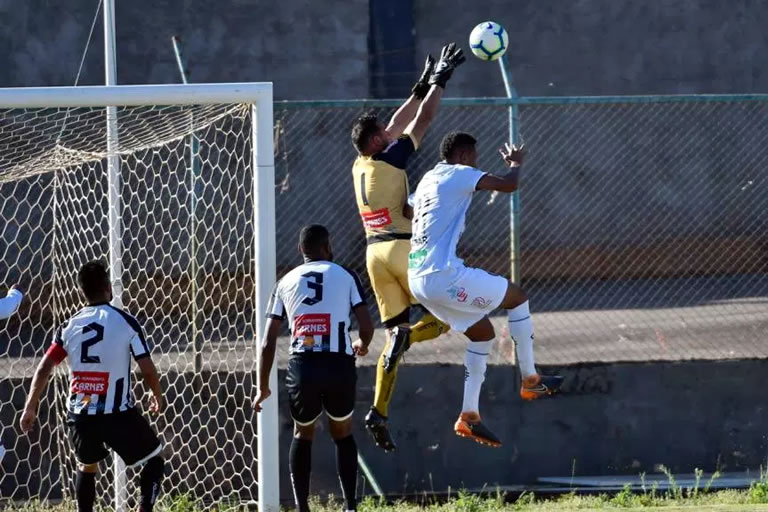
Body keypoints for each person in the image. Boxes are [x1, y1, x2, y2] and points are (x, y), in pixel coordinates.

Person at [407, 133, 564, 447]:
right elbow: (509, 184)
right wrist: (516, 164)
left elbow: (408, 210)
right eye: (475, 157)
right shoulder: (460, 172)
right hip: (443, 275)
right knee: (516, 297)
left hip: (418, 278)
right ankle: (531, 379)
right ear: (464, 155)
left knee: (482, 334)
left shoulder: (428, 179)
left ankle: (469, 415)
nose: (477, 164)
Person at [350, 43, 465, 451]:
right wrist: (438, 83)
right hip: (402, 250)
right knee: (452, 315)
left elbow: (398, 123)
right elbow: (422, 121)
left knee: (391, 337)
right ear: (377, 142)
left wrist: (417, 86)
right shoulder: (391, 159)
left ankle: (379, 411)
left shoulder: (362, 163)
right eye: (383, 133)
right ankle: (410, 338)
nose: (389, 132)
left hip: (374, 256)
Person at [20, 261, 165, 512]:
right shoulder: (125, 322)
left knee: (87, 466)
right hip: (116, 414)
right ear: (109, 288)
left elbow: (44, 367)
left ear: (82, 292)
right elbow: (147, 367)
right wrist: (156, 393)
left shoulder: (69, 326)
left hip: (81, 414)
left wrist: (30, 407)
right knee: (155, 461)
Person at [253, 225, 373, 512]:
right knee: (342, 432)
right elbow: (366, 325)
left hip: (303, 366)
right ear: (327, 247)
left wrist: (262, 387)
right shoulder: (346, 275)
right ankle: (350, 507)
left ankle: (301, 507)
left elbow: (268, 341)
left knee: (302, 432)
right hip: (338, 364)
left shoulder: (285, 282)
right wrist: (363, 343)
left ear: (300, 250)